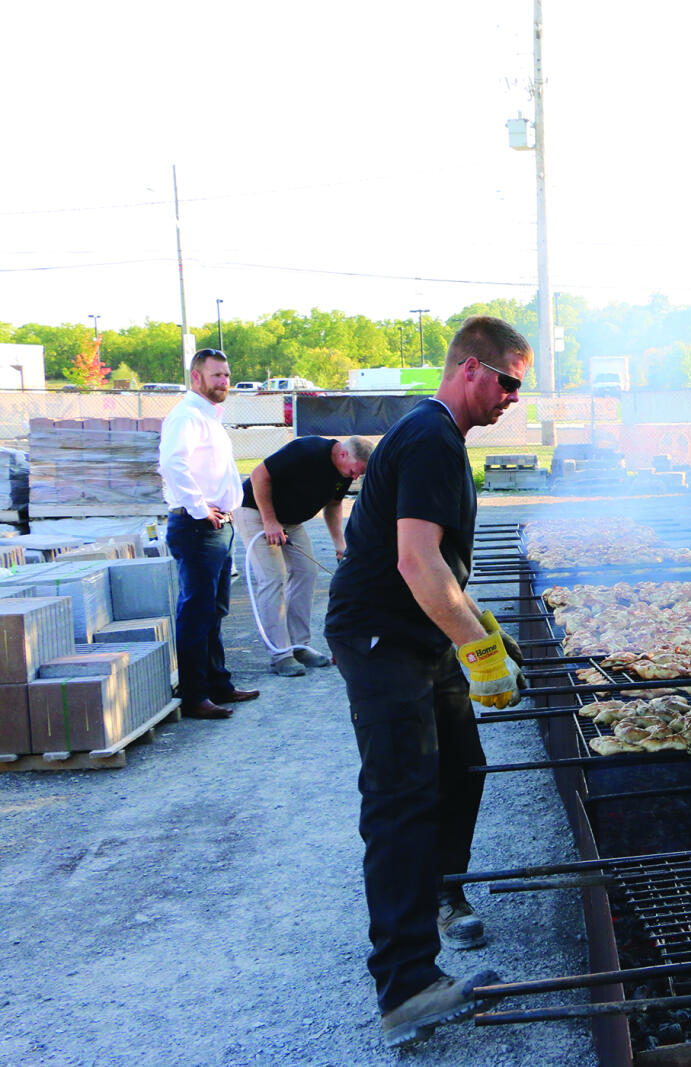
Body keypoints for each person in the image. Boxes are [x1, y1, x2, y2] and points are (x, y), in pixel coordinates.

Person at [323, 316, 532, 1048]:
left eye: (519, 387)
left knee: (463, 764)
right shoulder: (434, 436)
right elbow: (417, 565)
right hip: (382, 637)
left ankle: (444, 891)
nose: (513, 397)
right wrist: (479, 653)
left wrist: (488, 636)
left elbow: (445, 567)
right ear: (470, 368)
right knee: (401, 798)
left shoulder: (439, 438)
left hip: (418, 634)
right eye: (507, 381)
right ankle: (407, 984)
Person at [157, 348, 260, 720]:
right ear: (196, 377)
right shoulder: (186, 417)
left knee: (214, 611)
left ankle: (218, 684)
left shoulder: (208, 417)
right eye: (217, 375)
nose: (224, 382)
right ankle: (195, 695)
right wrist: (201, 508)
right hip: (197, 526)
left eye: (227, 375)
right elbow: (172, 463)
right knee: (197, 612)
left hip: (217, 527)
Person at [236, 435, 372, 676]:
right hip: (256, 511)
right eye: (354, 471)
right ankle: (281, 655)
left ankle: (299, 646)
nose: (354, 478)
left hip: (290, 521)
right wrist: (269, 521)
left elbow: (333, 505)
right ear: (343, 455)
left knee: (307, 572)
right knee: (273, 577)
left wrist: (339, 543)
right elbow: (259, 475)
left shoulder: (342, 474)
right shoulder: (307, 450)